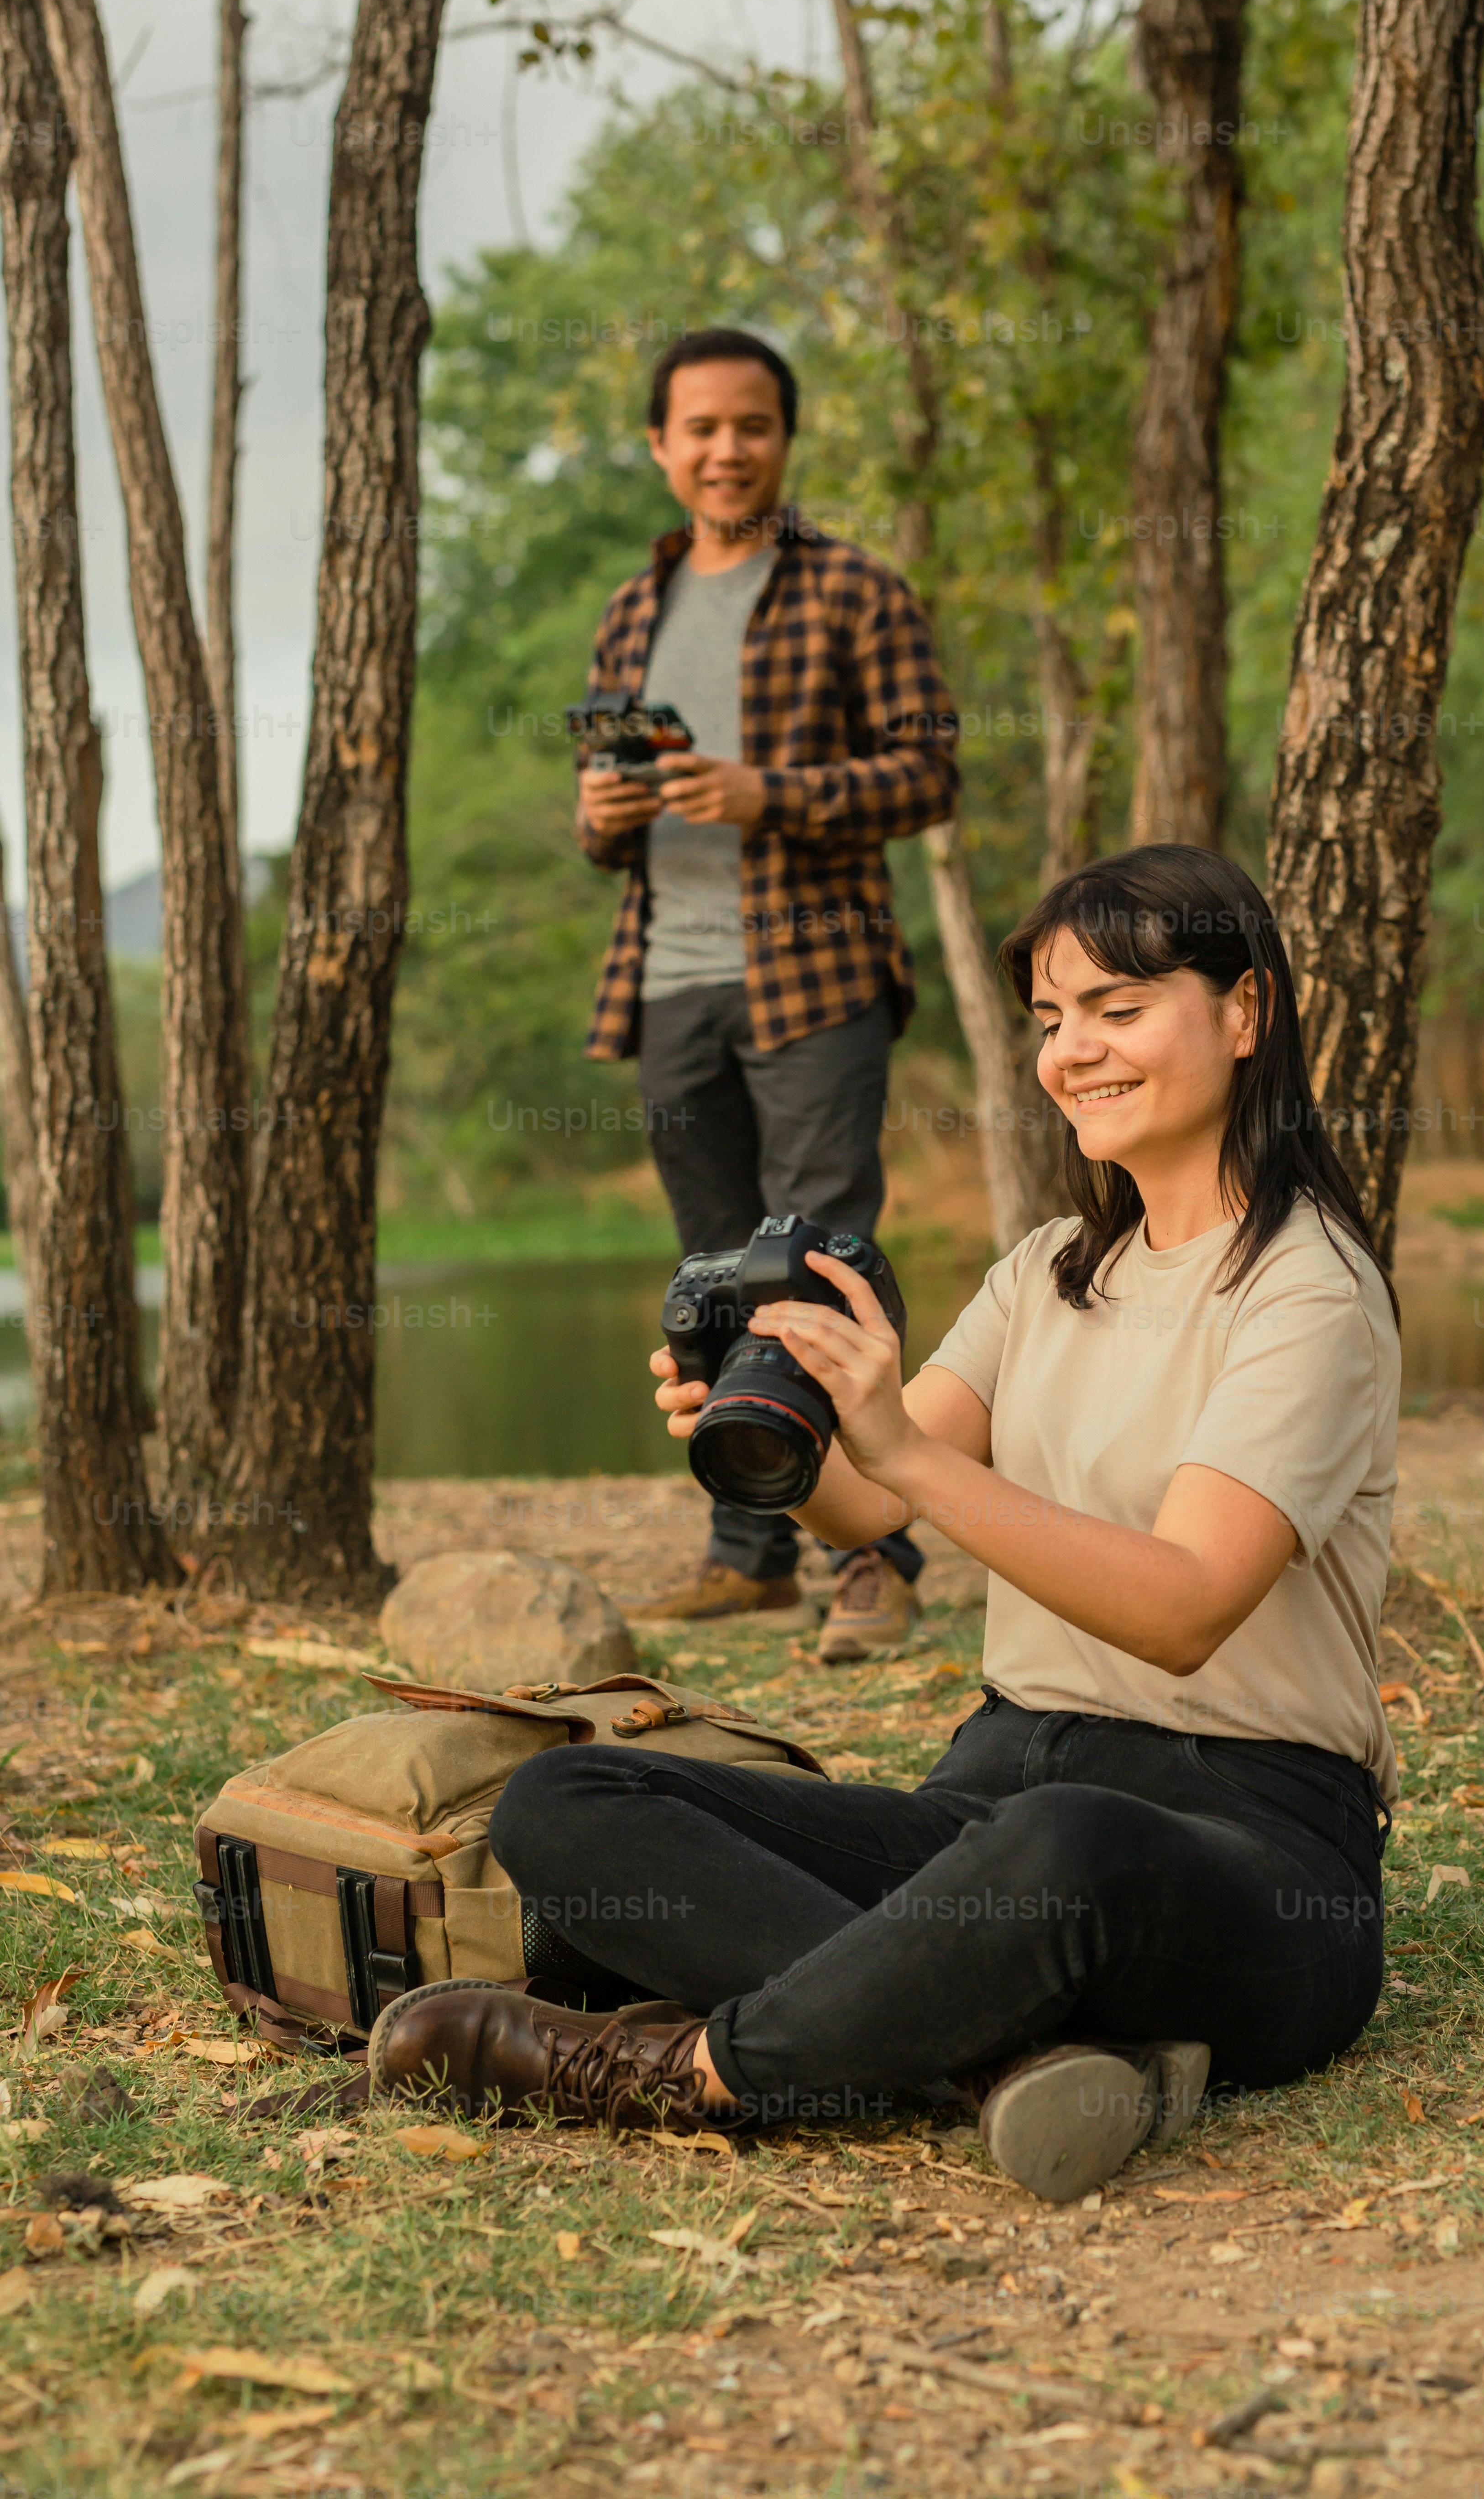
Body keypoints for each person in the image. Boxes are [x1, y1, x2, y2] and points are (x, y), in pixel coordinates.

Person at [371, 844, 1401, 2202]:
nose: (1075, 1052)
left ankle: (687, 2073)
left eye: (1120, 1008)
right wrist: (776, 1426)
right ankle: (998, 2055)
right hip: (993, 1800)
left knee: (1066, 1847)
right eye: (1053, 1019)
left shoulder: (1306, 1289)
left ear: (1246, 1011)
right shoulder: (1050, 1271)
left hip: (1241, 1845)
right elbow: (870, 1499)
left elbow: (1184, 1606)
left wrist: (908, 1450)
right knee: (570, 1801)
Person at [577, 327, 958, 1662]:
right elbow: (602, 817)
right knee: (710, 1277)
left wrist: (768, 794)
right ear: (660, 447)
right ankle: (748, 1553)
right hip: (668, 984)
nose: (727, 449)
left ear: (785, 439)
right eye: (701, 427)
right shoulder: (631, 611)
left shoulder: (855, 591)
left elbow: (929, 773)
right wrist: (600, 814)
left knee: (821, 1266)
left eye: (752, 425)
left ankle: (877, 1558)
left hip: (817, 976)